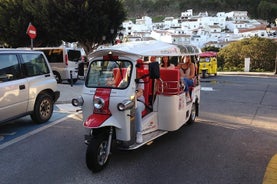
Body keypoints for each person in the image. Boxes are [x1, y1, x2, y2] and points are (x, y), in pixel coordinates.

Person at [135, 79, 145, 144]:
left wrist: (132, 97)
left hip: (139, 101)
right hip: (127, 100)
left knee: (137, 107)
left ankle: (139, 133)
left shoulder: (140, 80)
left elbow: (140, 92)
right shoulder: (125, 80)